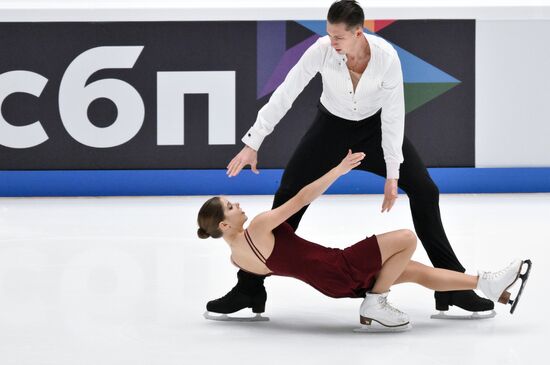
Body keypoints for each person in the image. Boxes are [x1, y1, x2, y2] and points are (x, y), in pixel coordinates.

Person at [208, 0, 493, 319]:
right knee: (288, 196)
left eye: (338, 37)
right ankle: (249, 288)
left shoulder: (386, 58)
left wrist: (393, 173)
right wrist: (253, 141)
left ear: (359, 32)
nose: (332, 42)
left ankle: (453, 286)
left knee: (425, 191)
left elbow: (394, 116)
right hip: (330, 129)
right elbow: (286, 92)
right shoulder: (321, 50)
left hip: (375, 129)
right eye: (329, 34)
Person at [198, 151, 531, 331]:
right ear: (225, 223)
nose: (238, 204)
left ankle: (484, 283)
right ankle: (376, 301)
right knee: (406, 238)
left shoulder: (237, 259)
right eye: (230, 206)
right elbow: (300, 198)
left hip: (331, 283)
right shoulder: (258, 226)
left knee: (414, 270)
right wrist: (338, 170)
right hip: (339, 265)